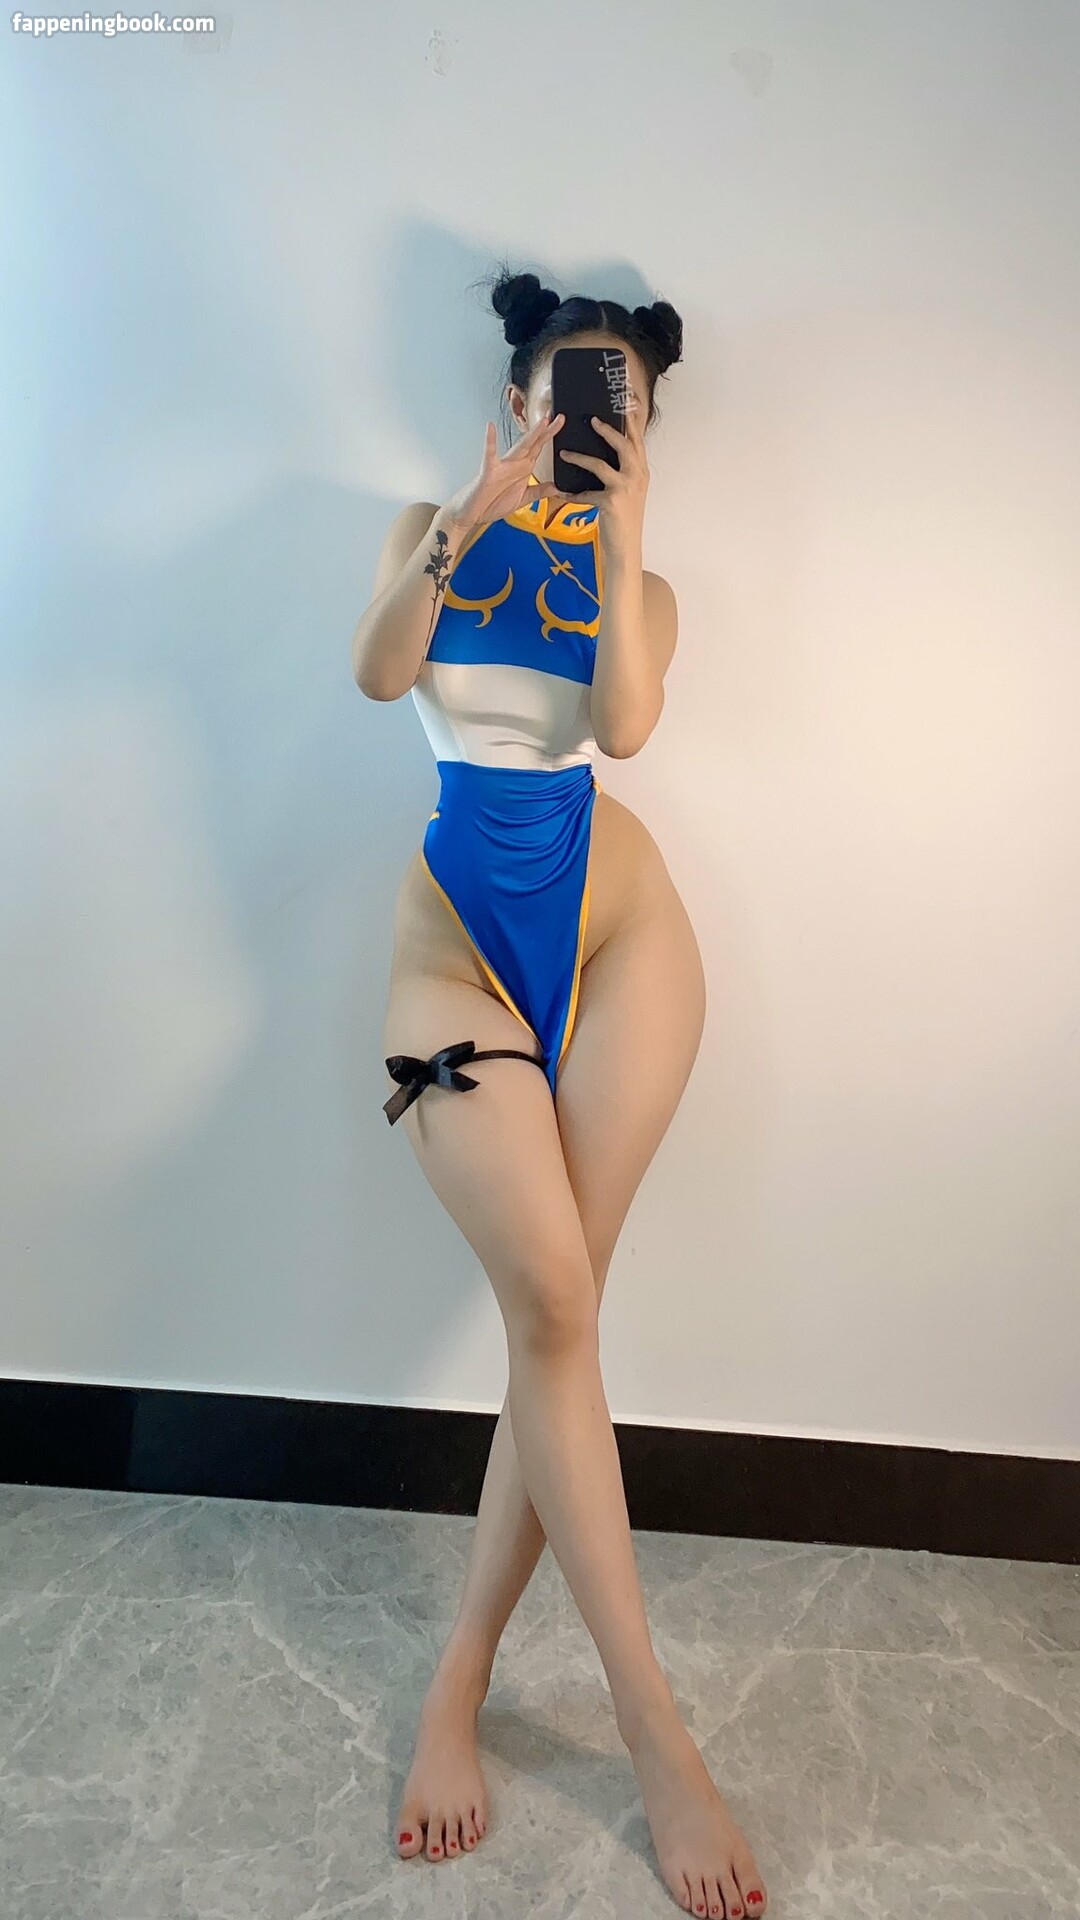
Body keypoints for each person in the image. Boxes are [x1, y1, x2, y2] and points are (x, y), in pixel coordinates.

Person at [351, 268, 769, 1920]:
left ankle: (478, 1685)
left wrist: (613, 525)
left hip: (625, 936)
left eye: (625, 410)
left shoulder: (641, 582)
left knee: (560, 1320)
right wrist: (475, 517)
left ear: (644, 434)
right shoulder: (429, 528)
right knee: (556, 1309)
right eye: (570, 398)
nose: (594, 425)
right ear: (518, 403)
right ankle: (639, 1723)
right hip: (454, 958)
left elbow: (630, 727)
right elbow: (378, 674)